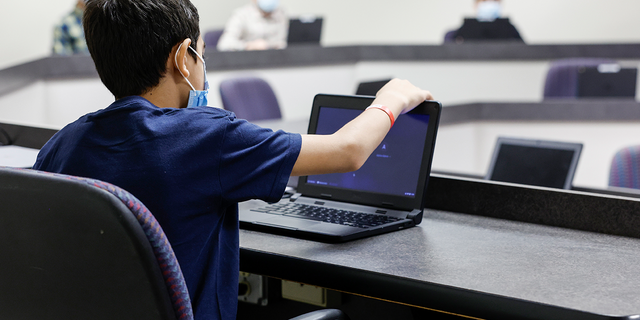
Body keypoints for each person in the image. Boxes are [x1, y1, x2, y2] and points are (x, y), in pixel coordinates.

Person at [33, 0, 432, 319]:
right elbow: (348, 151)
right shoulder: (207, 136)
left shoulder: (62, 145)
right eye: (201, 55)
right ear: (181, 58)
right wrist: (391, 100)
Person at [217, 0, 288, 51]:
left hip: (272, 62)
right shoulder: (241, 15)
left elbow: (281, 44)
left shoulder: (281, 14)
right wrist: (249, 45)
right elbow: (224, 44)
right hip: (247, 61)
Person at [444, 0, 523, 43]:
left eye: (494, 0)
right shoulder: (455, 35)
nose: (489, 2)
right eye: (484, 0)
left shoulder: (510, 30)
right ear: (476, 4)